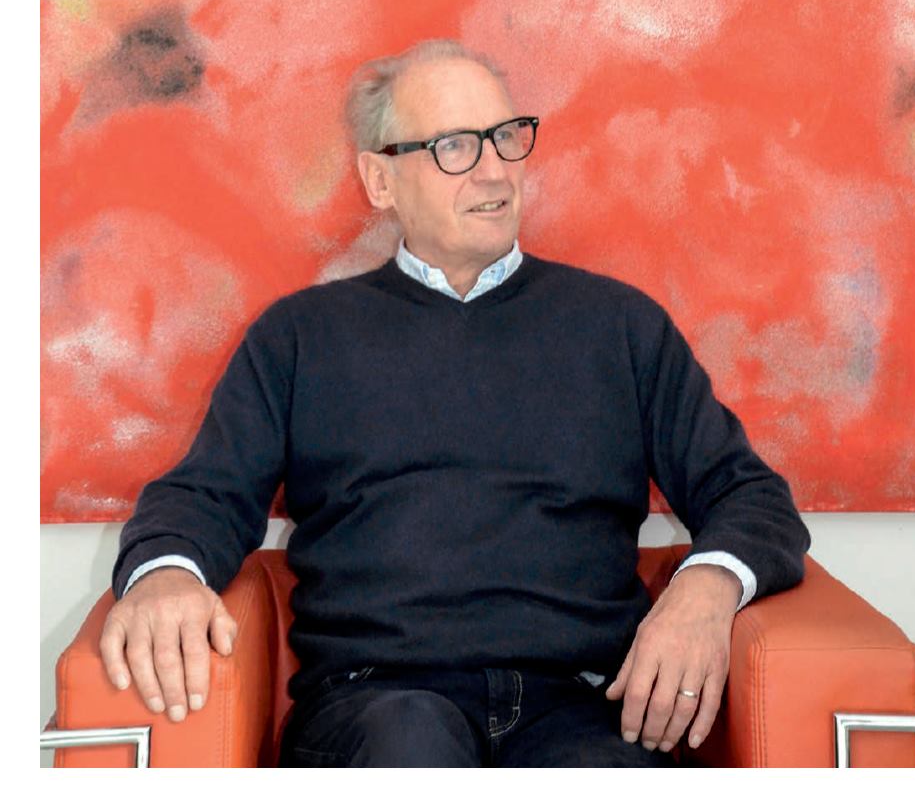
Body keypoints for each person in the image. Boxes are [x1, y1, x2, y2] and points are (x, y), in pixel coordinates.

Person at [100, 37, 811, 767]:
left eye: (506, 136)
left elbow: (752, 497)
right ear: (380, 179)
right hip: (378, 704)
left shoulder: (621, 327)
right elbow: (203, 496)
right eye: (455, 146)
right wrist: (164, 575)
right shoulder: (300, 337)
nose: (494, 169)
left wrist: (706, 585)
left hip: (581, 707)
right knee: (412, 746)